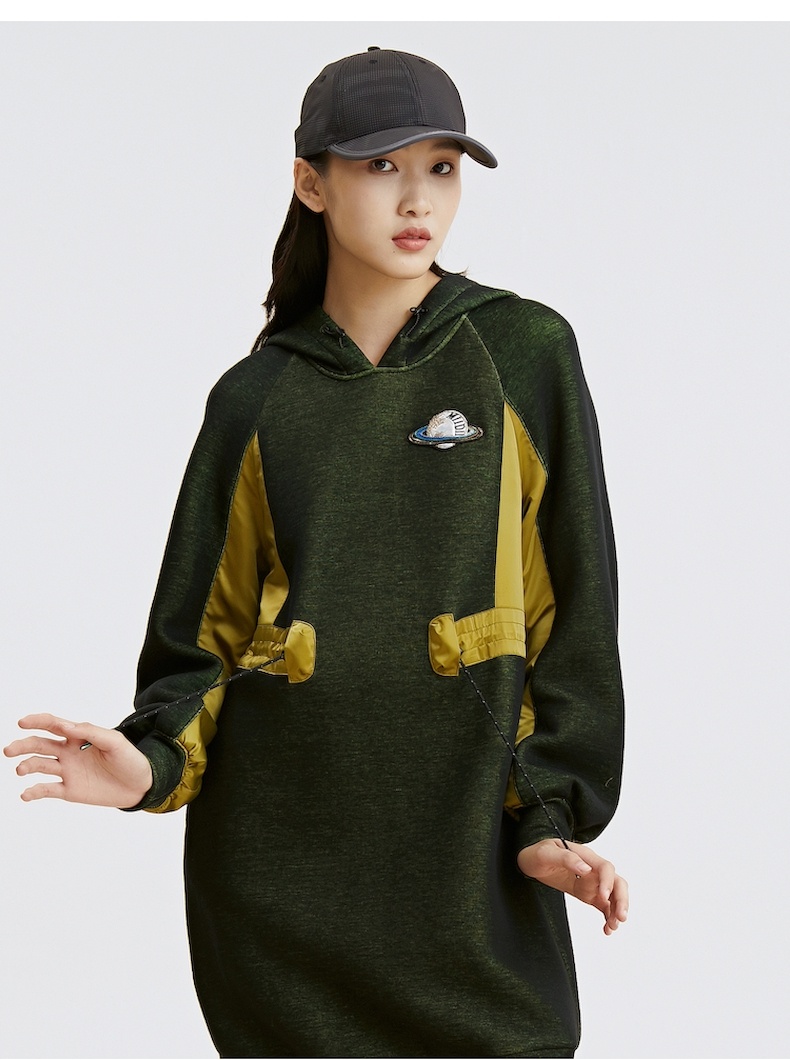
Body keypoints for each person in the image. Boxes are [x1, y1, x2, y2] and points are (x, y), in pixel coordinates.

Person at [5, 46, 628, 1059]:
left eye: (440, 167)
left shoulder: (522, 354)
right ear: (311, 182)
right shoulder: (254, 398)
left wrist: (551, 817)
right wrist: (149, 765)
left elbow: (577, 611)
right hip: (278, 891)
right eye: (382, 166)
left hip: (466, 873)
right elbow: (201, 642)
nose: (417, 198)